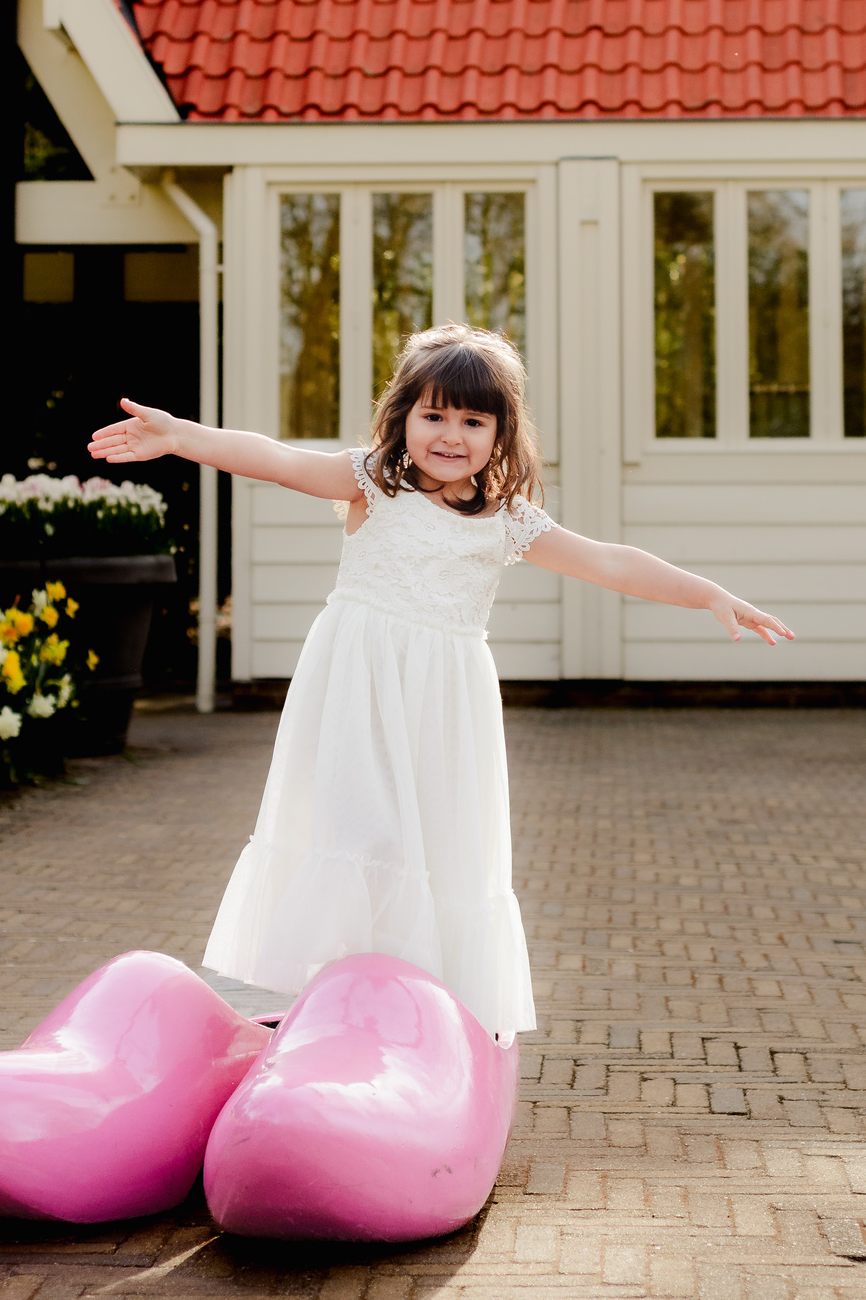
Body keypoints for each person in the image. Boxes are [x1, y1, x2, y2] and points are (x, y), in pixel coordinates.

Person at [88, 323, 792, 1042]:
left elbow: (611, 562)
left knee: (431, 844)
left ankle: (420, 1012)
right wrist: (179, 435)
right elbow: (273, 459)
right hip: (357, 695)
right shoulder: (371, 483)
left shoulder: (507, 522)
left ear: (500, 434)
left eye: (472, 420)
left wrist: (708, 593)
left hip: (445, 710)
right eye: (434, 415)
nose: (450, 434)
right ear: (402, 420)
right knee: (357, 832)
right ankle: (332, 1005)